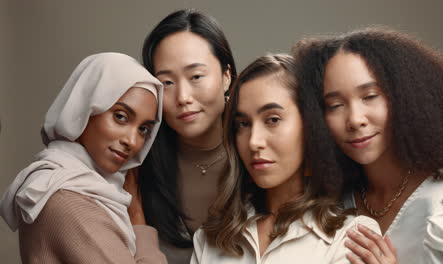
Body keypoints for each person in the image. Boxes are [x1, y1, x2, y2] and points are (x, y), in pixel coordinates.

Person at [294, 27, 443, 263]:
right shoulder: (331, 204)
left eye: (370, 96)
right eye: (335, 105)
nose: (355, 119)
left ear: (405, 97)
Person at [191, 54, 381, 263]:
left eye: (272, 119)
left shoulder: (352, 239)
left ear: (310, 127)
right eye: (243, 124)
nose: (254, 141)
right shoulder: (210, 238)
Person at [0, 52, 167, 263]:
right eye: (120, 117)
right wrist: (138, 220)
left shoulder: (80, 186)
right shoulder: (69, 199)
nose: (132, 141)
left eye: (143, 129)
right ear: (85, 108)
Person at [126, 9, 237, 264]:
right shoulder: (137, 165)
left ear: (226, 76)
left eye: (196, 76)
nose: (183, 97)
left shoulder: (260, 157)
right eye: (166, 82)